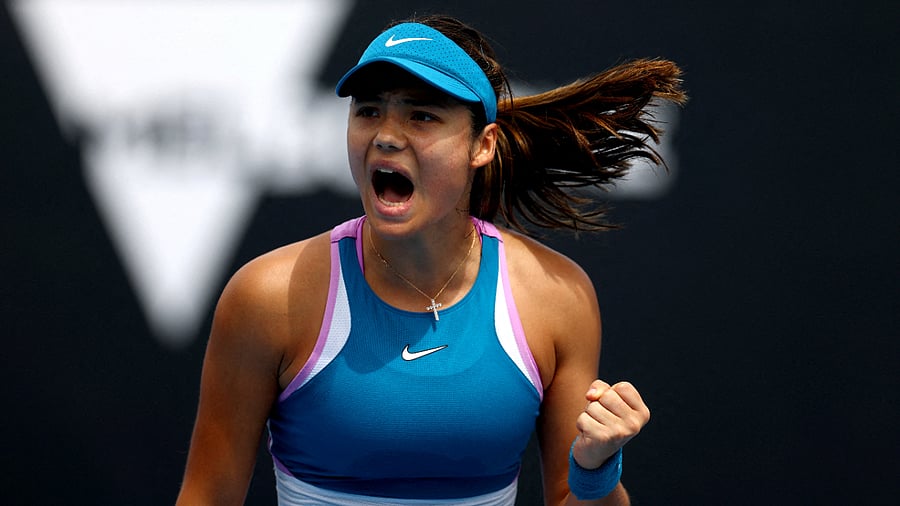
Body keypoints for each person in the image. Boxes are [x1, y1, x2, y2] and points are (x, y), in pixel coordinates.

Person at [176, 14, 685, 506]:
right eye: (368, 111)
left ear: (482, 144)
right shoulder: (267, 297)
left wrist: (594, 471)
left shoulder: (555, 298)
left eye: (421, 115)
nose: (386, 135)